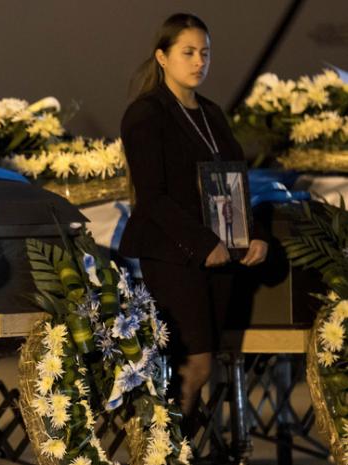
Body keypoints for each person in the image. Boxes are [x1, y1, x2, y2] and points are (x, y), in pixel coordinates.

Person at [119, 13, 268, 434]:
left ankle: (179, 447)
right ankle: (161, 448)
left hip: (219, 254)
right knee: (195, 363)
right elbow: (153, 197)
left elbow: (235, 183)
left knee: (207, 363)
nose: (198, 61)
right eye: (188, 52)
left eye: (205, 53)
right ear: (162, 57)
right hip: (173, 253)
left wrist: (252, 235)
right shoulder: (146, 113)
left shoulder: (212, 113)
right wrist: (202, 243)